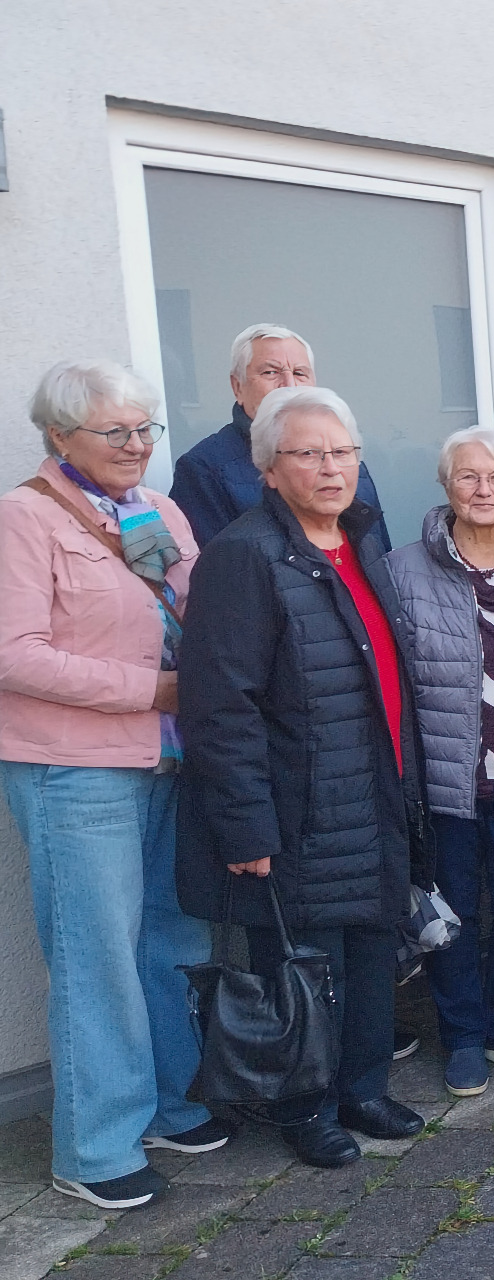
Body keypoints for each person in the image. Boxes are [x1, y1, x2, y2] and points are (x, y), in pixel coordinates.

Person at [177, 386, 425, 1169]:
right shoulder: (245, 556)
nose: (331, 467)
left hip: (373, 792)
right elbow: (220, 706)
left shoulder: (362, 544)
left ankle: (363, 1089)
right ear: (268, 469)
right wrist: (246, 825)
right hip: (299, 806)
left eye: (343, 451)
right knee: (301, 966)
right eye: (308, 453)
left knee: (371, 952)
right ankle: (304, 1107)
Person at [0, 360, 224, 1210]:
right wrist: (150, 691)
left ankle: (166, 1104)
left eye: (145, 430)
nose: (137, 446)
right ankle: (93, 1147)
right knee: (97, 957)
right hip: (75, 770)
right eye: (116, 432)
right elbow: (12, 653)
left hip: (168, 759)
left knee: (171, 939)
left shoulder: (158, 508)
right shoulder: (22, 518)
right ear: (60, 437)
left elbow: (194, 607)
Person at [384, 427, 494, 1097]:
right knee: (449, 916)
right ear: (446, 485)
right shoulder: (403, 570)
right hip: (446, 781)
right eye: (467, 477)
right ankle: (461, 1035)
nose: (483, 490)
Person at [170, 323, 390, 551]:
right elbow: (218, 573)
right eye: (271, 372)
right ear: (237, 387)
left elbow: (380, 555)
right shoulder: (204, 468)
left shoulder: (345, 459)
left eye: (299, 373)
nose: (289, 385)